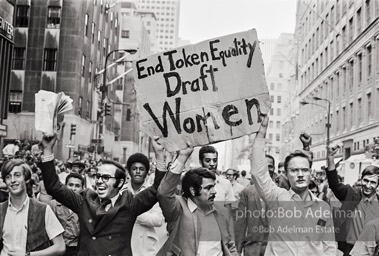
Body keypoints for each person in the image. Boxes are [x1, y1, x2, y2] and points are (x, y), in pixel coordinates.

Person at [39, 135, 174, 255]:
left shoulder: (130, 204)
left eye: (105, 177)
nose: (99, 181)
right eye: (97, 176)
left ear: (120, 182)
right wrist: (47, 150)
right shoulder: (84, 200)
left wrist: (159, 155)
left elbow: (157, 189)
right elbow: (54, 187)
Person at [249, 116, 336, 255]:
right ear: (286, 174)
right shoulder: (276, 198)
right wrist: (261, 134)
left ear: (310, 173)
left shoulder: (323, 208)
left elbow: (329, 246)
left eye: (305, 170)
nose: (300, 174)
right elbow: (258, 174)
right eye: (294, 170)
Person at [157, 146, 237, 255]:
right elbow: (163, 193)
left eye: (213, 186)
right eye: (208, 188)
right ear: (193, 191)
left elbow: (230, 245)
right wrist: (182, 157)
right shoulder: (179, 209)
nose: (214, 192)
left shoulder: (220, 211)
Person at [0, 159, 66, 256]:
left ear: (26, 179)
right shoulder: (1, 210)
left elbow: (60, 247)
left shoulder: (43, 209)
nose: (13, 180)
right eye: (8, 177)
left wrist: (28, 255)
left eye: (17, 175)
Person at [326, 146, 379, 255]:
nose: (368, 185)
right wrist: (331, 158)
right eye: (366, 180)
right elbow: (334, 184)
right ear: (361, 179)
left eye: (373, 182)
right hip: (347, 250)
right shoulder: (351, 195)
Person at [123, 153, 165, 256]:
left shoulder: (153, 192)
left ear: (146, 172)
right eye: (134, 168)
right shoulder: (121, 190)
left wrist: (134, 213)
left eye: (141, 169)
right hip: (123, 243)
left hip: (146, 247)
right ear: (129, 171)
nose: (137, 172)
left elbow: (159, 220)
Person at [48, 173, 84, 256]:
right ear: (65, 186)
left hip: (77, 248)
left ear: (82, 188)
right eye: (70, 185)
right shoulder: (53, 205)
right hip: (58, 248)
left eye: (77, 186)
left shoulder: (85, 206)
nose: (73, 188)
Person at [235, 179, 268, 256]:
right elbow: (241, 222)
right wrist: (238, 249)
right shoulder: (247, 192)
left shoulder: (279, 192)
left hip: (272, 246)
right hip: (252, 246)